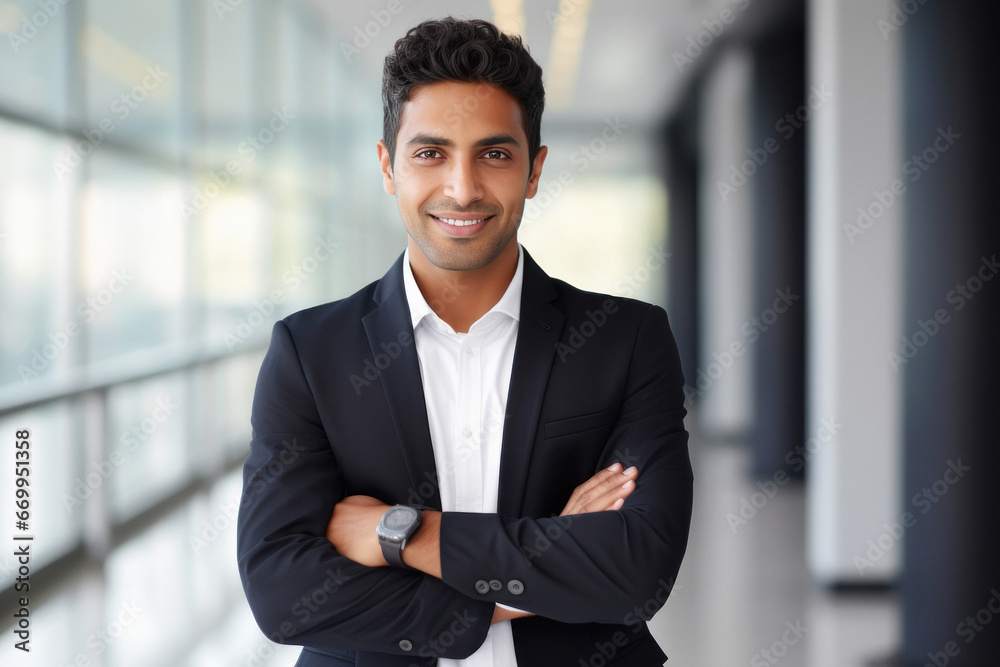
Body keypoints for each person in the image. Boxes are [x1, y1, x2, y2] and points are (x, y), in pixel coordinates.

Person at [237, 17, 693, 667]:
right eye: (431, 153)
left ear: (533, 171)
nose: (463, 188)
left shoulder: (626, 339)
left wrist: (404, 533)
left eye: (495, 153)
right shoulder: (311, 352)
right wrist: (537, 571)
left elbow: (636, 569)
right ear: (388, 165)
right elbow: (283, 592)